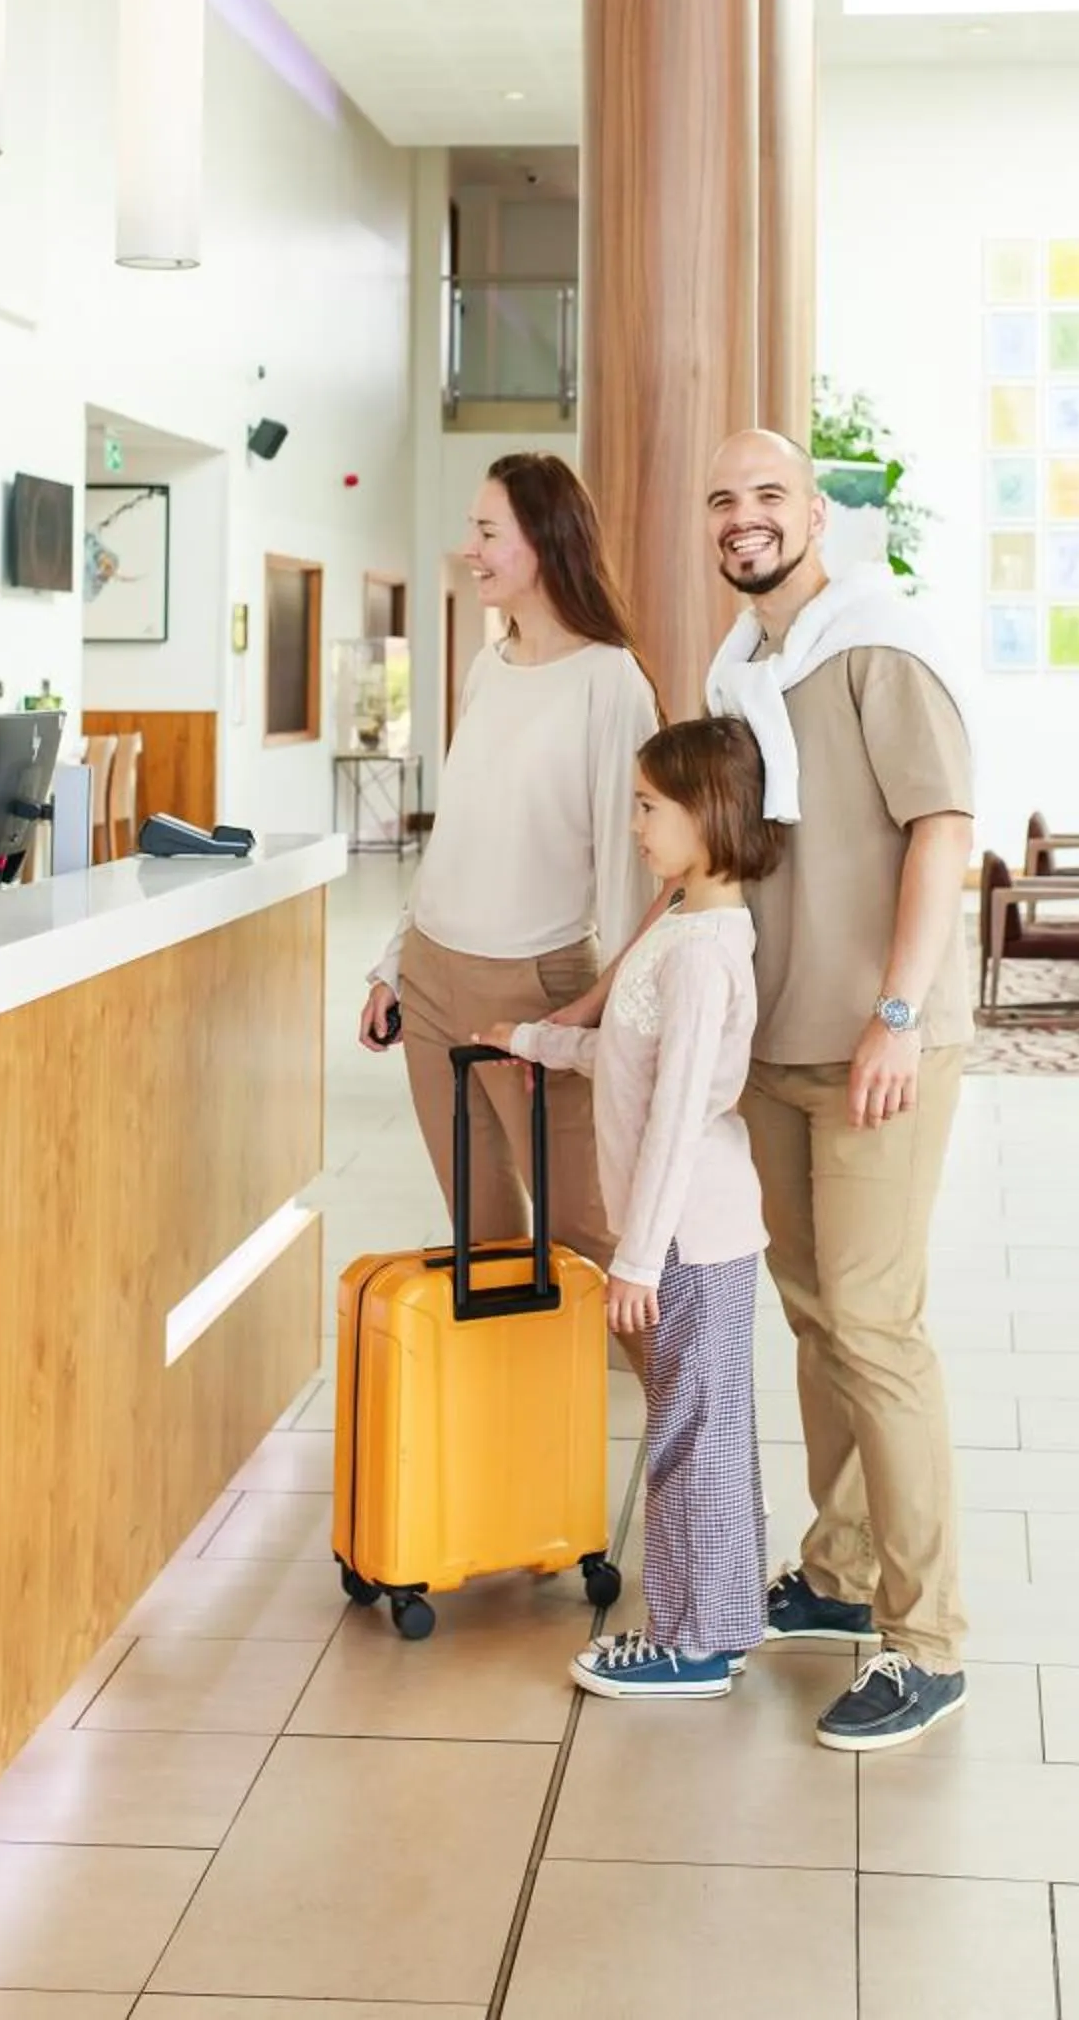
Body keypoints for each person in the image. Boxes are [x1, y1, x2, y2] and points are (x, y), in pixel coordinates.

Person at [704, 427, 975, 1756]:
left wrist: (900, 1015)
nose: (744, 517)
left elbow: (944, 827)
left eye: (768, 495)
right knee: (815, 1317)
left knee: (874, 1326)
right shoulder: (742, 668)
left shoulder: (877, 643)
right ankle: (843, 1568)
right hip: (779, 1037)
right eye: (724, 500)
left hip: (879, 1040)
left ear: (816, 513)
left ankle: (927, 1643)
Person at [480, 714, 777, 1702]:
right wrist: (533, 1040)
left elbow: (679, 1114)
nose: (637, 826)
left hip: (687, 1232)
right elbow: (629, 1054)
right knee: (705, 1423)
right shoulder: (684, 926)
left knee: (687, 1431)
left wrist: (637, 1258)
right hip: (695, 1229)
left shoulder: (699, 950)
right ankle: (723, 1620)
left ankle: (689, 1642)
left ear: (709, 812)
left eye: (650, 807)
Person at [360, 452, 658, 1270]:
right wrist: (394, 964)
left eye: (488, 531)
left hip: (537, 994)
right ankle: (515, 1395)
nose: (471, 549)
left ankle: (669, 1394)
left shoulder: (611, 682)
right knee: (481, 1233)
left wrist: (608, 1025)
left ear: (547, 542)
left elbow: (633, 879)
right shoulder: (488, 667)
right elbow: (455, 833)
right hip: (430, 979)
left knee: (585, 1236)